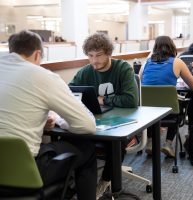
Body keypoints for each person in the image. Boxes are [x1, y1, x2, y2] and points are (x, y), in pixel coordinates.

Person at [0, 30, 97, 200]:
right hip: (23, 173)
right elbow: (87, 125)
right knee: (86, 147)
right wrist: (59, 120)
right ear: (38, 54)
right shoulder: (42, 76)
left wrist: (39, 118)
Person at [69, 32, 138, 198]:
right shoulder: (85, 72)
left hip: (122, 123)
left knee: (115, 144)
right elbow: (69, 92)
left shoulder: (123, 68)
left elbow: (131, 100)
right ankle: (74, 185)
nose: (94, 61)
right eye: (90, 56)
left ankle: (105, 182)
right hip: (95, 122)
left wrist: (103, 99)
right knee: (71, 139)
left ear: (109, 53)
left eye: (99, 55)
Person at [139, 35, 193, 158]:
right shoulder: (177, 62)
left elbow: (139, 82)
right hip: (169, 113)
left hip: (147, 113)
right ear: (172, 47)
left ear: (155, 48)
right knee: (177, 105)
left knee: (151, 104)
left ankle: (150, 143)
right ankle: (168, 144)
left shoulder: (146, 63)